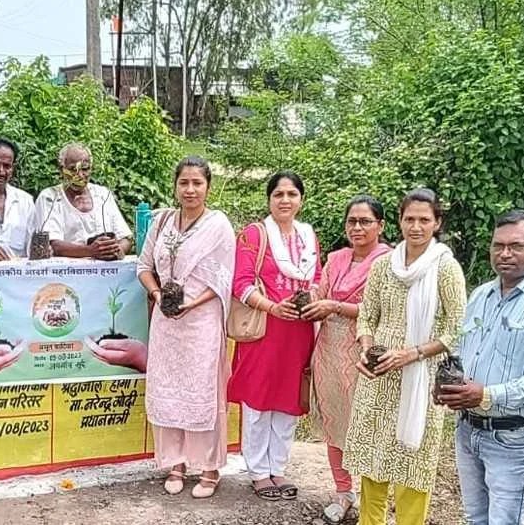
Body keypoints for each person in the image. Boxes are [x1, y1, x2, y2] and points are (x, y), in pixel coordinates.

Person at [438, 210, 524, 525]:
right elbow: (465, 350)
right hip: (467, 428)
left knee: (505, 520)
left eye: (516, 246)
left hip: (513, 436)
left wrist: (488, 395)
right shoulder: (481, 295)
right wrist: (449, 383)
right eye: (498, 245)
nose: (505, 254)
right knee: (475, 517)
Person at [347, 187, 466, 525]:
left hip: (421, 379)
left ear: (437, 223)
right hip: (379, 377)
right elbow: (367, 316)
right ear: (399, 221)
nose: (416, 227)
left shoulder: (445, 268)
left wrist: (412, 354)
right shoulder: (383, 265)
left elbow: (457, 328)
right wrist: (367, 350)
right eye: (409, 219)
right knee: (374, 461)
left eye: (424, 220)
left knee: (413, 464)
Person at [136, 156, 236, 499]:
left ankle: (208, 468)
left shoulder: (218, 225)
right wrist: (158, 294)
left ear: (208, 187)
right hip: (166, 322)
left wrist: (189, 304)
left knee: (201, 392)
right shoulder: (162, 221)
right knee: (168, 389)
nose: (190, 189)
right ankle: (175, 463)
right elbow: (143, 266)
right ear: (175, 186)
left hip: (201, 321)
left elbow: (223, 278)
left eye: (197, 183)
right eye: (184, 183)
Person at [229, 171, 322, 501]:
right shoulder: (254, 234)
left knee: (288, 400)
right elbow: (240, 283)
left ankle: (278, 467)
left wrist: (311, 300)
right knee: (259, 399)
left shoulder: (308, 237)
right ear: (269, 200)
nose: (285, 200)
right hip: (264, 330)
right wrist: (272, 307)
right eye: (278, 194)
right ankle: (257, 471)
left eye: (292, 194)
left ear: (301, 200)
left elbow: (317, 279)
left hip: (298, 331)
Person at [307, 196, 392, 523]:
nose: (357, 227)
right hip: (328, 350)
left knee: (367, 425)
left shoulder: (389, 263)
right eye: (352, 221)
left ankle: (375, 499)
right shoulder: (336, 259)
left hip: (365, 351)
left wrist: (335, 306)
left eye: (365, 221)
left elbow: (384, 309)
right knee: (335, 423)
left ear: (380, 226)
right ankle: (343, 492)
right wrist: (307, 299)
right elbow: (321, 294)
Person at [33, 143, 133, 260]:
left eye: (85, 169)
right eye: (72, 169)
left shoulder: (103, 194)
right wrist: (90, 251)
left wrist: (116, 250)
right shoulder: (49, 197)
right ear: (61, 170)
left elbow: (125, 238)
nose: (79, 175)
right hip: (66, 270)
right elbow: (53, 244)